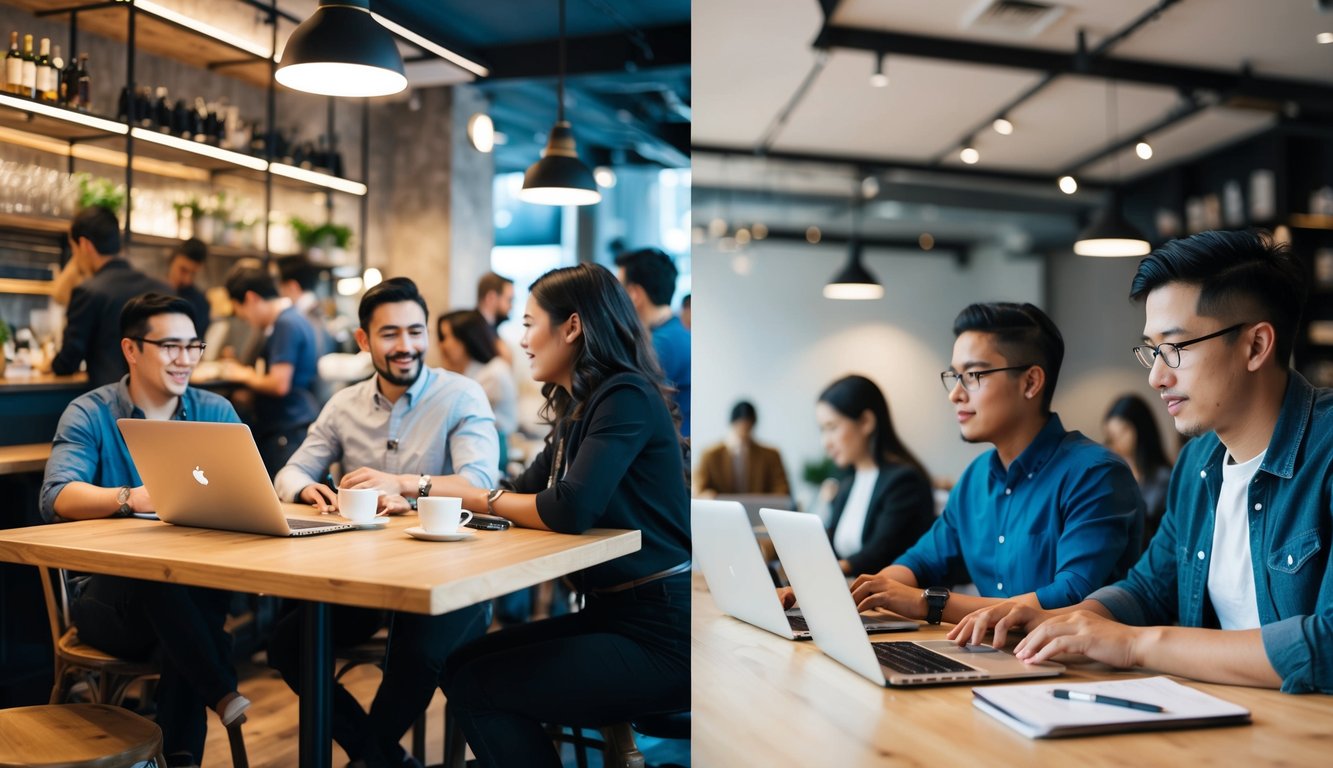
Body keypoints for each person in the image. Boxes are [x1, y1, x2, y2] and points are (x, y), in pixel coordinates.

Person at [951, 230, 1333, 695]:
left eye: (1175, 348)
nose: (1156, 376)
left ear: (1255, 346)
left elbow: (1326, 645)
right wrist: (1066, 619)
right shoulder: (1198, 464)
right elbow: (1150, 588)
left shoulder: (1325, 451)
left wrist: (1135, 645)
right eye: (1152, 350)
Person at [436, 263, 690, 768]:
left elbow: (568, 508)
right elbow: (519, 492)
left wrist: (466, 498)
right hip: (613, 615)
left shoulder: (626, 396)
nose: (522, 339)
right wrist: (414, 487)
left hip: (663, 632)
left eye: (530, 323)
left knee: (478, 686)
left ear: (571, 326)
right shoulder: (582, 405)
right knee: (460, 664)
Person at [795, 303, 1143, 624]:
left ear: (1031, 382)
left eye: (974, 376)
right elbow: (918, 563)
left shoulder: (1095, 474)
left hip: (1079, 674)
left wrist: (928, 603)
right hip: (994, 656)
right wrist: (831, 593)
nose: (955, 394)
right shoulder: (977, 478)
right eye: (954, 376)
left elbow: (1070, 597)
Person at [270, 277, 499, 767]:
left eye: (415, 332)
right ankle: (386, 760)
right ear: (363, 341)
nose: (406, 346)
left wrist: (404, 484)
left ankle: (372, 758)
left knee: (417, 650)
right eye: (390, 334)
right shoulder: (343, 404)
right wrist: (307, 487)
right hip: (363, 578)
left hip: (448, 576)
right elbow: (289, 472)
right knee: (288, 644)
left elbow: (479, 485)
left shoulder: (461, 396)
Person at [39, 293, 250, 767]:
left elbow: (250, 495)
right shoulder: (90, 412)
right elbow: (56, 496)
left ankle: (181, 758)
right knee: (162, 581)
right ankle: (219, 690)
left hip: (192, 596)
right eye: (170, 346)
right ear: (131, 350)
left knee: (187, 604)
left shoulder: (214, 412)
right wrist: (129, 497)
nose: (185, 360)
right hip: (106, 601)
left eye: (193, 346)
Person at [814, 376, 936, 576]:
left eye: (832, 427)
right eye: (822, 430)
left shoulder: (904, 481)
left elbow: (880, 553)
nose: (825, 442)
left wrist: (828, 570)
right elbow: (832, 545)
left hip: (887, 600)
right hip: (848, 592)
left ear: (866, 422)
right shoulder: (848, 483)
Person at [47, 206, 171, 387]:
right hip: (160, 403)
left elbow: (68, 361)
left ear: (85, 245)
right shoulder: (161, 288)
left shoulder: (88, 291)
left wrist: (49, 365)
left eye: (74, 251)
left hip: (111, 404)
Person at [222, 264, 321, 476]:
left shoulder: (286, 324)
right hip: (292, 425)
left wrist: (243, 375)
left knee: (284, 501)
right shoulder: (291, 319)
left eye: (241, 312)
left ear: (250, 298)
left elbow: (279, 384)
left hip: (287, 429)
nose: (246, 319)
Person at [615, 247, 690, 436]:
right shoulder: (675, 333)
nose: (613, 300)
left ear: (634, 294)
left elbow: (631, 414)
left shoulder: (661, 345)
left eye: (618, 290)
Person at [437, 309, 519, 447]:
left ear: (464, 339)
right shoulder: (470, 372)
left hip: (495, 447)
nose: (442, 345)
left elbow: (451, 417)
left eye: (445, 337)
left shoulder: (493, 374)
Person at [1103, 393, 1174, 544]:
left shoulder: (1164, 480)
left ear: (1141, 429)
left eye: (1123, 431)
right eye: (1111, 435)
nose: (1116, 441)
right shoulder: (1113, 477)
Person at [695, 400, 790, 497]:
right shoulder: (710, 455)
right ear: (733, 424)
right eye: (741, 425)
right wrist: (706, 495)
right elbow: (699, 489)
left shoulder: (771, 455)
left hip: (758, 510)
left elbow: (782, 490)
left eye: (748, 426)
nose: (744, 429)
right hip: (720, 511)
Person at [277, 256, 337, 357]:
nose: (279, 292)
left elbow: (318, 355)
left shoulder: (303, 315)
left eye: (280, 286)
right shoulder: (315, 309)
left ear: (292, 286)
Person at [165, 238, 210, 339]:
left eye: (193, 274)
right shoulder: (151, 292)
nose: (187, 280)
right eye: (183, 270)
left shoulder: (200, 303)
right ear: (171, 261)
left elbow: (198, 342)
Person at [476, 271, 515, 364]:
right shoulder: (473, 330)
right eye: (509, 300)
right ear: (491, 298)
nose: (511, 306)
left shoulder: (491, 328)